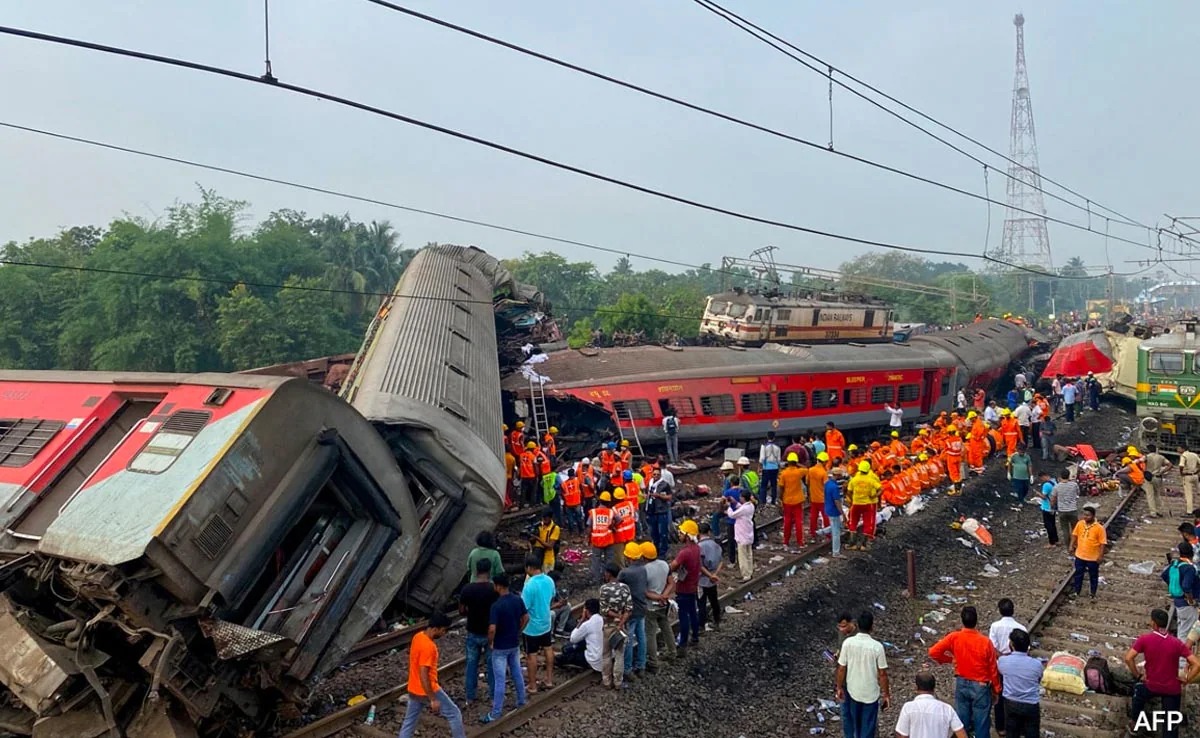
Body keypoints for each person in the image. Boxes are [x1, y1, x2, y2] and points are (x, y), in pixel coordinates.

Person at [1125, 608, 1200, 738]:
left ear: (1153, 623)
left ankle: (1135, 722)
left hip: (1152, 685)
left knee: (1138, 691)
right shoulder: (1176, 643)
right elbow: (1197, 664)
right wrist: (1187, 679)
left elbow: (1128, 658)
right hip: (1172, 689)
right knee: (1170, 727)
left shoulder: (1145, 639)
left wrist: (1138, 675)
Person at [927, 606, 1000, 738]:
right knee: (982, 723)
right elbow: (993, 669)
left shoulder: (954, 637)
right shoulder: (985, 642)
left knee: (961, 723)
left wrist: (950, 659)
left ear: (962, 620)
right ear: (976, 621)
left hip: (961, 682)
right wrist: (996, 689)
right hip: (980, 686)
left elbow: (933, 652)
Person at [399, 612, 466, 738]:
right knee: (454, 713)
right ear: (435, 629)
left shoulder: (417, 637)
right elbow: (424, 673)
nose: (444, 633)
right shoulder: (429, 647)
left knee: (409, 721)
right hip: (428, 690)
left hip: (413, 688)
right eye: (443, 630)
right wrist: (433, 698)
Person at [836, 610, 890, 738]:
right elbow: (882, 674)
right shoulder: (877, 647)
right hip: (870, 694)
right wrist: (886, 694)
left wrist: (838, 687)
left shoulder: (848, 643)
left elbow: (841, 668)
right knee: (868, 726)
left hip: (853, 691)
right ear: (872, 627)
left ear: (857, 625)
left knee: (855, 723)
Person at [484, 572, 527, 724]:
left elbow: (492, 628)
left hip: (500, 647)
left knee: (500, 679)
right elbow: (526, 617)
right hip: (514, 644)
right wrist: (519, 630)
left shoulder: (496, 606)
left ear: (498, 586)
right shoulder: (517, 600)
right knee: (517, 673)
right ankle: (522, 701)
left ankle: (495, 713)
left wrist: (491, 642)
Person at [459, 559, 498, 706]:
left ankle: (470, 697)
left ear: (476, 571)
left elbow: (461, 610)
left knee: (471, 665)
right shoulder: (494, 589)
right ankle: (493, 696)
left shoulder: (467, 589)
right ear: (489, 571)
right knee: (492, 665)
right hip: (490, 633)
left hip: (473, 631)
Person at [987, 598, 1026, 736]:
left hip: (999, 666)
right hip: (1016, 667)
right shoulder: (1021, 628)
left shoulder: (995, 626)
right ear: (1013, 610)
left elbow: (992, 647)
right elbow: (1024, 650)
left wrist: (1002, 657)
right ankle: (1017, 727)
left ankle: (1001, 727)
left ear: (1000, 610)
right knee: (1016, 695)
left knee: (999, 696)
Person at [996, 629, 1042, 738]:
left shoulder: (1003, 661)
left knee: (1012, 732)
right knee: (1032, 732)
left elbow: (1000, 673)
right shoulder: (1037, 664)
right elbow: (1038, 679)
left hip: (1011, 702)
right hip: (1031, 704)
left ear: (1011, 644)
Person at [895, 672, 966, 738]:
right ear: (934, 688)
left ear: (916, 687)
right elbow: (961, 734)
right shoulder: (947, 709)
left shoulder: (908, 708)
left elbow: (902, 734)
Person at [641, 540, 675, 669]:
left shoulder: (644, 570)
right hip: (663, 604)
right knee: (666, 627)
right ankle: (672, 653)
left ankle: (653, 661)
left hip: (651, 606)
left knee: (650, 633)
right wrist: (664, 596)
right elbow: (671, 583)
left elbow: (645, 591)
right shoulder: (664, 564)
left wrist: (658, 597)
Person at [617, 542, 649, 680]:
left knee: (628, 640)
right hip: (642, 607)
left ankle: (628, 669)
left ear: (628, 557)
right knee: (641, 637)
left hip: (629, 611)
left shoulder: (625, 573)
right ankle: (641, 666)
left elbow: (617, 587)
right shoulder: (643, 569)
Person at [598, 564, 632, 689]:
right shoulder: (625, 588)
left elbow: (604, 610)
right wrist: (621, 622)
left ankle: (606, 681)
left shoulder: (604, 589)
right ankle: (618, 682)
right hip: (621, 627)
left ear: (608, 574)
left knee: (606, 654)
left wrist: (616, 616)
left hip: (608, 625)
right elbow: (629, 609)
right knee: (619, 654)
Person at [671, 519, 703, 648]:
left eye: (681, 532)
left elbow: (672, 566)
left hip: (683, 588)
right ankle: (695, 637)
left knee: (683, 616)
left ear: (687, 535)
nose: (679, 535)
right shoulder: (697, 548)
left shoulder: (684, 552)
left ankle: (682, 642)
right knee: (693, 613)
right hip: (693, 586)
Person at [1069, 504, 1106, 599]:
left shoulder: (1099, 528)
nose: (1085, 517)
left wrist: (1100, 556)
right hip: (1080, 555)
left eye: (1088, 515)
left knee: (1093, 576)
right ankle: (1077, 591)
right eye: (1084, 515)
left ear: (1093, 516)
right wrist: (1071, 545)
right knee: (1078, 574)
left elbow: (1102, 543)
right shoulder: (1080, 523)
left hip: (1093, 558)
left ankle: (1092, 593)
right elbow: (1074, 534)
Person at [557, 598, 603, 673]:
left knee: (566, 651)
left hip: (593, 660)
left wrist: (581, 620)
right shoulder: (603, 620)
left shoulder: (587, 624)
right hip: (605, 658)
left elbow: (573, 639)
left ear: (586, 610)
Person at [1162, 542, 1198, 639]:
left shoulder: (1175, 564)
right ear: (1192, 553)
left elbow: (1164, 575)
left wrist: (1173, 585)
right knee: (1188, 633)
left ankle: (1179, 651)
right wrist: (1191, 600)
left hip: (1178, 602)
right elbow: (1186, 587)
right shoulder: (1189, 568)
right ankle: (1182, 653)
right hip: (1187, 605)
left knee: (1182, 629)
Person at [846, 461, 881, 551]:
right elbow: (880, 489)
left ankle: (852, 544)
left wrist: (852, 499)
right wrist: (874, 496)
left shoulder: (854, 479)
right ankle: (864, 545)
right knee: (867, 523)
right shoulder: (871, 479)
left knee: (853, 522)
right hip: (867, 504)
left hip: (856, 504)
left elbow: (849, 491)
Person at [697, 522, 723, 633]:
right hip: (713, 580)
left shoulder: (699, 547)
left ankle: (701, 625)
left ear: (698, 533)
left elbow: (700, 565)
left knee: (701, 603)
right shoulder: (716, 545)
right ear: (709, 532)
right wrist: (714, 575)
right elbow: (721, 561)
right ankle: (717, 621)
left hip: (702, 580)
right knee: (714, 601)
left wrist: (709, 575)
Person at [779, 451, 807, 550]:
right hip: (798, 500)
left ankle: (786, 542)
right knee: (799, 522)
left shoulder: (783, 473)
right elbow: (806, 468)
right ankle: (800, 542)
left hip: (787, 500)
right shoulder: (799, 472)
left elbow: (781, 488)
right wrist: (798, 464)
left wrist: (780, 499)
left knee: (787, 522)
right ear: (796, 462)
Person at [727, 488, 757, 581]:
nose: (739, 498)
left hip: (742, 535)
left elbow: (732, 515)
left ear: (743, 498)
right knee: (749, 554)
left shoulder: (744, 508)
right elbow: (741, 508)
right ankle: (749, 572)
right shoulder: (750, 505)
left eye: (740, 497)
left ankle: (745, 575)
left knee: (742, 555)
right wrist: (735, 502)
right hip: (748, 534)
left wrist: (728, 507)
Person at [1049, 469, 1079, 549]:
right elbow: (1078, 493)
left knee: (1065, 529)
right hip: (1073, 509)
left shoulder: (1056, 487)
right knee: (1075, 528)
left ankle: (1069, 546)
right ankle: (1076, 544)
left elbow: (1053, 499)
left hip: (1062, 511)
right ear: (1069, 475)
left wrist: (1052, 508)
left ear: (1060, 476)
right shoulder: (1074, 485)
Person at [646, 467, 673, 556]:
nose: (656, 476)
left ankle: (663, 551)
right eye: (654, 474)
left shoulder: (664, 485)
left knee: (663, 532)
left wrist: (659, 496)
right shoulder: (650, 484)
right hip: (651, 510)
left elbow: (669, 497)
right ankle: (656, 549)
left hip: (661, 510)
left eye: (658, 474)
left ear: (660, 475)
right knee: (654, 532)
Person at [1030, 471, 1057, 547]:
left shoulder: (1046, 485)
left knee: (1048, 525)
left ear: (1043, 476)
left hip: (1047, 507)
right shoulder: (1054, 482)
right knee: (1053, 524)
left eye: (1041, 478)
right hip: (1053, 507)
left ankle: (1051, 542)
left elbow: (1044, 497)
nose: (1041, 480)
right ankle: (1056, 540)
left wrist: (1038, 494)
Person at [825, 468, 845, 556]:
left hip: (828, 508)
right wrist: (843, 514)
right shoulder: (834, 487)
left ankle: (822, 531)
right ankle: (836, 552)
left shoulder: (827, 484)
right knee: (836, 532)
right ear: (837, 475)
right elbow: (837, 501)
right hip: (834, 511)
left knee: (835, 525)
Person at [759, 431, 782, 505]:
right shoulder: (778, 447)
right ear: (774, 438)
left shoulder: (764, 446)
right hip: (775, 468)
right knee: (774, 485)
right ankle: (773, 501)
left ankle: (763, 502)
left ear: (767, 437)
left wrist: (760, 466)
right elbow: (778, 460)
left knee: (763, 486)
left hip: (766, 468)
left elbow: (762, 458)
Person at [1179, 444, 1200, 516]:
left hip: (1187, 476)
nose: (1178, 450)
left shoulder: (1183, 455)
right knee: (1198, 491)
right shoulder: (1194, 455)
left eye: (1179, 449)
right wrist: (1197, 471)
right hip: (1195, 475)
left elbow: (1181, 465)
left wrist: (1181, 472)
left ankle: (1189, 512)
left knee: (1189, 495)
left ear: (1183, 449)